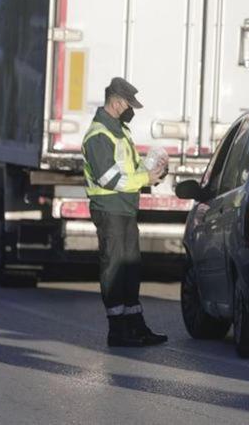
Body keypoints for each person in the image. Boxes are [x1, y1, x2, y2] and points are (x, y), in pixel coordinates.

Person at [82, 77, 170, 347]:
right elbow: (109, 178)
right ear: (117, 102)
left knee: (130, 266)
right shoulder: (99, 135)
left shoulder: (121, 131)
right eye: (129, 105)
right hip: (109, 209)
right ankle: (118, 330)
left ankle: (136, 325)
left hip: (126, 208)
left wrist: (153, 171)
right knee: (115, 267)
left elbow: (129, 170)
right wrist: (144, 180)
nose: (131, 110)